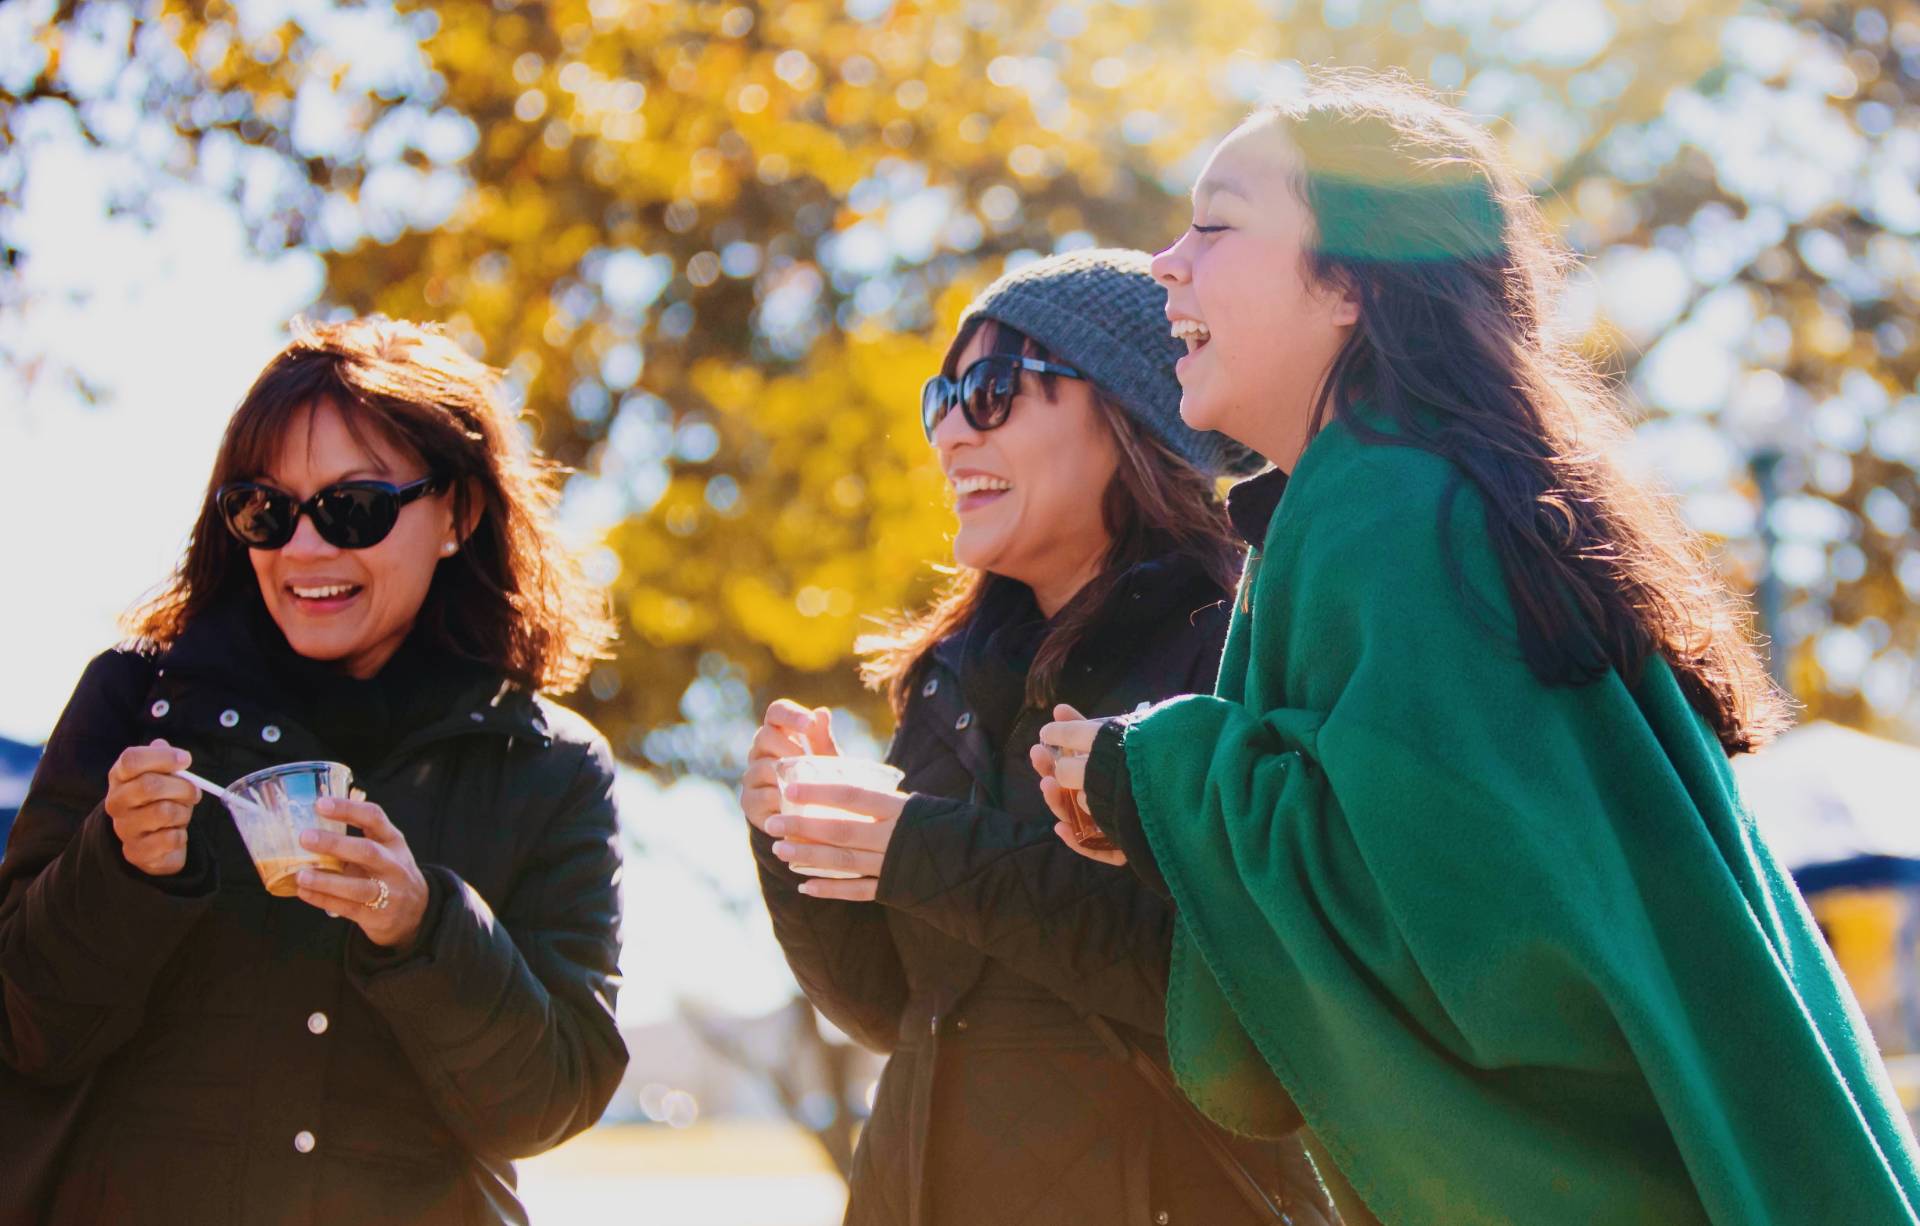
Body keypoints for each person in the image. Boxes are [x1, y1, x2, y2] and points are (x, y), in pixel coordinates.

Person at [1037, 71, 1920, 1225]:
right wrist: (1159, 800)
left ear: (1350, 280)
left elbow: (1460, 930)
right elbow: (1485, 855)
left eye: (1217, 223)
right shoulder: (1436, 491)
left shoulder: (1396, 509)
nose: (1167, 261)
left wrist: (1150, 770)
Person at [740, 249, 1335, 1226]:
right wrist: (797, 841)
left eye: (991, 390)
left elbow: (1229, 987)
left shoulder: (1240, 645)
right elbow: (889, 1008)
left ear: (1132, 411)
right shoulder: (946, 674)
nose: (948, 432)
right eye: (940, 399)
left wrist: (922, 847)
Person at [0, 318, 627, 1225]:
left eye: (353, 508)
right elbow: (26, 1033)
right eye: (265, 510)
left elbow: (549, 1101)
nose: (302, 550)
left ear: (458, 514)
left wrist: (424, 928)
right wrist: (122, 870)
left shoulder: (552, 767)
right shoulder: (137, 707)